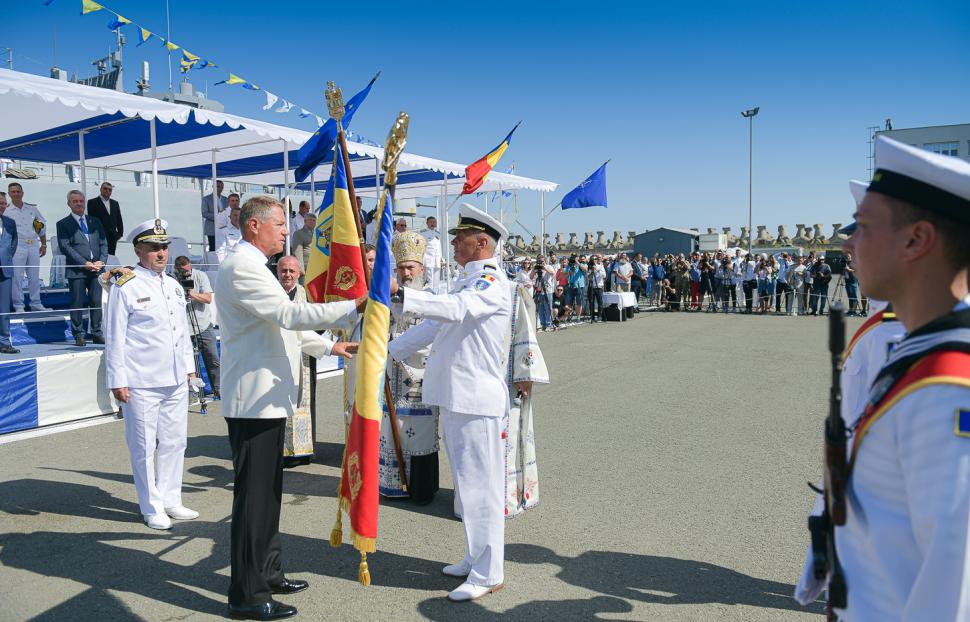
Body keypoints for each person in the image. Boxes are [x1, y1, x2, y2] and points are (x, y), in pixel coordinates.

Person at [818, 136, 970, 620]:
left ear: (916, 240)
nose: (848, 244)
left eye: (863, 227)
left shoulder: (948, 392)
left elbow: (954, 591)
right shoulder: (920, 353)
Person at [214, 195, 363, 620]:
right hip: (253, 402)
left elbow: (286, 329)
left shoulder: (255, 267)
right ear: (253, 226)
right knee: (254, 500)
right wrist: (353, 305)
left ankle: (269, 571)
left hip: (266, 398)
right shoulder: (242, 267)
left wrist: (329, 346)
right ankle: (247, 593)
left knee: (269, 495)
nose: (286, 231)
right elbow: (287, 315)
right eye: (279, 224)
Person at [388, 203, 511, 602]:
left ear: (482, 242)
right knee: (466, 485)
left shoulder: (490, 281)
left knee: (481, 489)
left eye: (461, 237)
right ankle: (475, 557)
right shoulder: (465, 281)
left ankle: (488, 573)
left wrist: (401, 293)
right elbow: (431, 327)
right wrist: (386, 351)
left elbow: (456, 311)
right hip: (458, 399)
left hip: (475, 401)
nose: (453, 242)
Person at [104, 219, 198, 531]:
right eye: (154, 247)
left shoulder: (173, 285)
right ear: (138, 251)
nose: (161, 253)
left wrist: (189, 368)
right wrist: (117, 379)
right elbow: (115, 336)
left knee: (175, 441)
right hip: (141, 381)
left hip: (175, 378)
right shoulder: (126, 286)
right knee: (143, 447)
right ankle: (151, 505)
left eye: (164, 247)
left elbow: (181, 332)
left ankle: (171, 498)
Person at [276, 255, 355, 469]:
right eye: (283, 271)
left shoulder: (307, 295)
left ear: (299, 273)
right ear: (277, 272)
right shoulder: (272, 295)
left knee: (303, 401)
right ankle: (280, 450)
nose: (287, 275)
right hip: (278, 358)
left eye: (291, 271)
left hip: (304, 357)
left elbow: (319, 322)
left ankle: (303, 451)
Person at [379, 232, 440, 503]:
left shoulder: (432, 299)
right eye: (401, 268)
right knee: (391, 430)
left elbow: (432, 337)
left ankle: (421, 489)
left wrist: (397, 344)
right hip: (391, 376)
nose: (405, 273)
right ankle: (393, 485)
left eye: (410, 267)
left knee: (421, 433)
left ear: (422, 268)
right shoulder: (387, 300)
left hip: (421, 377)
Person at [501, 278, 549, 519]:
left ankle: (508, 497)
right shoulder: (461, 287)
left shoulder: (511, 291)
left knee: (508, 437)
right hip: (473, 383)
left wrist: (524, 373)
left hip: (505, 378)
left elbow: (524, 333)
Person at [56, 190, 108, 346]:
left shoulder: (95, 221)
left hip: (96, 269)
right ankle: (78, 334)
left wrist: (101, 261)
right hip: (77, 270)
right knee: (77, 303)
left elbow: (104, 243)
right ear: (69, 204)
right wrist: (84, 263)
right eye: (75, 201)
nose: (79, 204)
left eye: (81, 201)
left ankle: (97, 333)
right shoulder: (63, 224)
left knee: (96, 302)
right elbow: (65, 247)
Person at [172, 256, 220, 399]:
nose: (185, 274)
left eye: (187, 271)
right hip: (184, 329)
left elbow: (208, 299)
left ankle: (219, 389)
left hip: (203, 325)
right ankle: (193, 393)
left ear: (190, 266)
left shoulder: (200, 276)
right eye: (181, 272)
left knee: (213, 359)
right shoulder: (171, 280)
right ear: (176, 269)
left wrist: (190, 293)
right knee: (188, 364)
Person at [6, 182, 49, 312]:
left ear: (22, 193)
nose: (16, 194)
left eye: (18, 191)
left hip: (33, 244)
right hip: (17, 245)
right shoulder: (7, 211)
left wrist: (44, 244)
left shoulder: (32, 209)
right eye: (13, 192)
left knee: (34, 276)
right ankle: (18, 305)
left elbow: (41, 227)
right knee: (17, 277)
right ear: (9, 194)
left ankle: (36, 303)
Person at [0, 192, 19, 354]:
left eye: (3, 203)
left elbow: (13, 243)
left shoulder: (10, 222)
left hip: (5, 270)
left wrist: (5, 258)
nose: (2, 206)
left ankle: (4, 342)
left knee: (4, 309)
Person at [86, 181, 124, 256]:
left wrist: (119, 234)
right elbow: (91, 220)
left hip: (112, 237)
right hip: (99, 237)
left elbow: (119, 219)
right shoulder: (92, 202)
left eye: (110, 190)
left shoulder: (115, 203)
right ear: (100, 189)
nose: (107, 191)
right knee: (99, 257)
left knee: (111, 257)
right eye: (105, 189)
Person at [214, 194, 242, 263]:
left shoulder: (245, 230)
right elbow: (220, 250)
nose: (235, 203)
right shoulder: (222, 214)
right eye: (232, 201)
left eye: (236, 200)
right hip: (229, 260)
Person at [201, 180, 228, 252]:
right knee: (213, 248)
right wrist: (218, 217)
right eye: (218, 186)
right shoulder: (206, 199)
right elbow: (204, 213)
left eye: (221, 187)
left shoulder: (225, 199)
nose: (220, 188)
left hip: (224, 228)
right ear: (213, 187)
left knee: (223, 247)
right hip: (212, 228)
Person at [290, 213, 315, 278]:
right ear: (305, 221)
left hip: (315, 268)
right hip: (305, 269)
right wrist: (300, 269)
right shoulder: (299, 233)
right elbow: (297, 253)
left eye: (314, 220)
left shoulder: (316, 234)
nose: (312, 222)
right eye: (310, 220)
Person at [421, 215, 443, 292]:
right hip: (428, 258)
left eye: (434, 222)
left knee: (437, 278)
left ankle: (436, 292)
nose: (433, 223)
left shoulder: (438, 233)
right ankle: (429, 293)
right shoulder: (423, 233)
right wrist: (422, 260)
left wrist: (441, 258)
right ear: (427, 223)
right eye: (431, 222)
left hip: (437, 259)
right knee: (429, 278)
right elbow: (422, 246)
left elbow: (439, 246)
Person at [588, 255, 606, 321]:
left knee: (600, 302)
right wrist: (591, 271)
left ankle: (599, 316)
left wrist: (597, 270)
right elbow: (588, 276)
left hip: (599, 286)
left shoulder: (600, 266)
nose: (594, 260)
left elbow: (604, 275)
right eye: (592, 259)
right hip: (592, 287)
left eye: (595, 259)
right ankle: (592, 316)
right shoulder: (590, 267)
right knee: (591, 302)